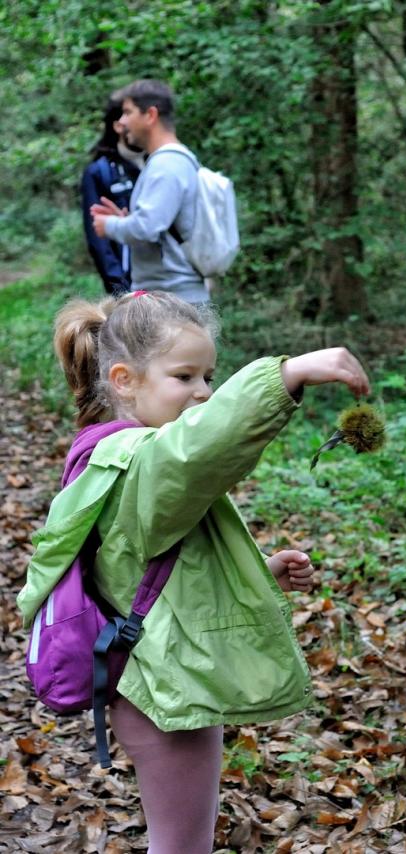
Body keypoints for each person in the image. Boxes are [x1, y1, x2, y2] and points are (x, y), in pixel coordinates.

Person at [17, 291, 370, 854]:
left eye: (209, 375)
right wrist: (286, 377)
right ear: (125, 379)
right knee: (182, 847)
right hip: (161, 690)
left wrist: (260, 569)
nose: (204, 391)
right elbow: (199, 452)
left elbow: (153, 564)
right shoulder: (141, 461)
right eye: (185, 376)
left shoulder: (117, 454)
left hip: (154, 674)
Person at [90, 79, 208, 304]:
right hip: (170, 297)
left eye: (127, 112)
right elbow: (158, 226)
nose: (122, 122)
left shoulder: (167, 164)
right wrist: (126, 220)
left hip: (175, 301)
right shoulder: (168, 161)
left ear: (150, 115)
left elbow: (147, 228)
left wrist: (110, 225)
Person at [81, 92, 144, 295]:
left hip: (167, 280)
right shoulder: (99, 171)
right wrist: (120, 288)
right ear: (118, 125)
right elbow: (98, 240)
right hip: (128, 285)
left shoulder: (159, 162)